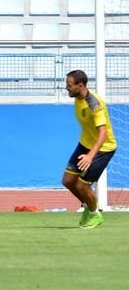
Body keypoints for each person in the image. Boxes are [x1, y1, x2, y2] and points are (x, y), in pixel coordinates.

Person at [63, 70, 117, 229]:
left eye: (69, 85)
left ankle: (95, 214)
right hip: (84, 143)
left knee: (82, 186)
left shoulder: (94, 104)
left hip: (103, 148)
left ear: (80, 85)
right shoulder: (78, 97)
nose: (67, 88)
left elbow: (103, 133)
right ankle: (88, 205)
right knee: (68, 180)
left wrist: (90, 156)